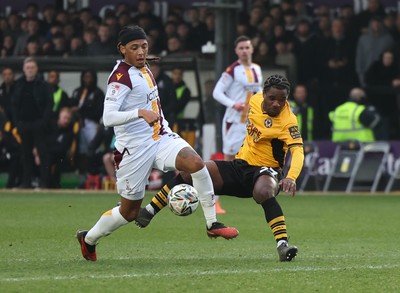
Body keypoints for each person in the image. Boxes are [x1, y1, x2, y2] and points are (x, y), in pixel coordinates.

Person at [76, 26, 239, 262]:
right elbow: (108, 117)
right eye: (134, 48)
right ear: (122, 49)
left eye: (144, 46)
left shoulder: (143, 66)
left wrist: (139, 61)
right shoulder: (119, 78)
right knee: (129, 212)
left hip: (160, 137)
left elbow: (140, 66)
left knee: (195, 163)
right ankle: (88, 239)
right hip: (134, 149)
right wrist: (139, 112)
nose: (141, 52)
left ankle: (212, 223)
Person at [136, 74, 303, 262]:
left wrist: (291, 177)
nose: (276, 104)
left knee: (264, 191)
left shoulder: (289, 121)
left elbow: (298, 151)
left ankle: (282, 245)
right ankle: (147, 212)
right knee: (192, 171)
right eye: (272, 98)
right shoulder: (254, 101)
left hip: (266, 171)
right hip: (239, 166)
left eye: (282, 100)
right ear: (263, 94)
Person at [212, 35, 263, 213]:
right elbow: (217, 92)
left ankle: (257, 190)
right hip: (235, 122)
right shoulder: (232, 70)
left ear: (252, 49)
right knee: (228, 160)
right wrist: (233, 104)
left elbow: (259, 91)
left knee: (256, 155)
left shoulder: (257, 69)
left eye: (247, 47)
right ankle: (214, 200)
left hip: (252, 122)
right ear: (236, 51)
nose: (244, 51)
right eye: (241, 48)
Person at [11, 57, 53, 188]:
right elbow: (13, 105)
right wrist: (17, 122)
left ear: (36, 69)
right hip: (23, 124)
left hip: (39, 124)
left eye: (32, 67)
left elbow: (49, 104)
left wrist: (43, 122)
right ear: (24, 69)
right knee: (25, 155)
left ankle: (44, 183)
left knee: (43, 154)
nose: (30, 70)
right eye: (27, 67)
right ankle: (26, 182)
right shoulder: (18, 84)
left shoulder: (44, 85)